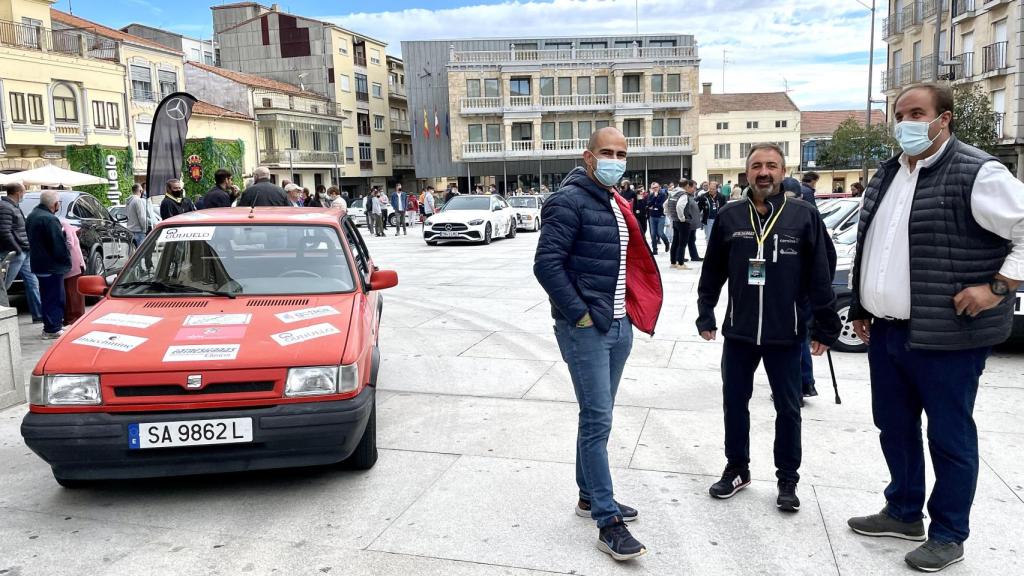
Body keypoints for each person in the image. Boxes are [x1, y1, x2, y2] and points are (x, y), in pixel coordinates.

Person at [845, 83, 1024, 573]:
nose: (905, 121)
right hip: (887, 332)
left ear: (943, 118)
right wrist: (862, 304)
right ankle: (903, 512)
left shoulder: (978, 171)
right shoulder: (889, 174)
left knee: (949, 437)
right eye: (899, 113)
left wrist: (998, 288)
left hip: (948, 336)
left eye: (917, 112)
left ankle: (948, 533)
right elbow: (876, 247)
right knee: (894, 428)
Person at [534, 127, 662, 562]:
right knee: (597, 420)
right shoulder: (567, 201)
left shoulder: (613, 199)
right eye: (606, 152)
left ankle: (589, 496)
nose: (615, 159)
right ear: (588, 156)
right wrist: (581, 315)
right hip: (587, 328)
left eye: (622, 153)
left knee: (595, 416)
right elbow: (546, 265)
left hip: (618, 326)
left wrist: (619, 317)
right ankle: (607, 521)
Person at [696, 143, 840, 513]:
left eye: (771, 166)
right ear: (746, 173)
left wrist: (824, 324)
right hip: (740, 332)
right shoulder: (729, 216)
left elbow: (821, 272)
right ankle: (737, 468)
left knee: (789, 409)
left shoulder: (803, 216)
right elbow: (712, 269)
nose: (764, 172)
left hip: (786, 333)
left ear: (783, 170)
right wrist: (706, 312)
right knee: (734, 404)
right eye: (757, 165)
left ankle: (787, 479)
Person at [25, 191, 71, 338]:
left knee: (47, 296)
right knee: (54, 297)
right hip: (51, 265)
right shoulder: (50, 219)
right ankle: (52, 328)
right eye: (59, 203)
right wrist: (66, 260)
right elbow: (58, 245)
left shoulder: (33, 215)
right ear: (55, 204)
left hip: (39, 263)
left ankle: (51, 326)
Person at [0, 182, 42, 322]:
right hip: (14, 253)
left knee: (33, 283)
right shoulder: (5, 207)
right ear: (18, 192)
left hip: (23, 251)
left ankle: (38, 315)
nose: (24, 194)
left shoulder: (13, 206)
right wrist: (17, 249)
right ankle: (3, 316)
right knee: (4, 285)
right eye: (24, 192)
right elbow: (5, 232)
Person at [59, 217, 85, 326]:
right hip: (75, 264)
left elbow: (70, 243)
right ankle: (74, 317)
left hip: (72, 265)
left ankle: (73, 319)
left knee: (72, 293)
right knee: (73, 293)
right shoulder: (67, 225)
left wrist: (59, 251)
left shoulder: (64, 224)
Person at [667, 183, 688, 269]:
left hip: (675, 220)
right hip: (681, 222)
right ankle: (681, 263)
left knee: (675, 242)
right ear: (686, 185)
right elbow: (679, 206)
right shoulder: (683, 194)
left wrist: (670, 215)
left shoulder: (672, 193)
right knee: (682, 243)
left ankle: (673, 262)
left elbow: (665, 205)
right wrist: (682, 218)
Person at [125, 183, 150, 247]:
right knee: (141, 254)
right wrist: (145, 229)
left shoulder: (128, 201)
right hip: (138, 231)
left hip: (130, 230)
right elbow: (142, 217)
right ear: (140, 191)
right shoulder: (138, 200)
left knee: (134, 254)